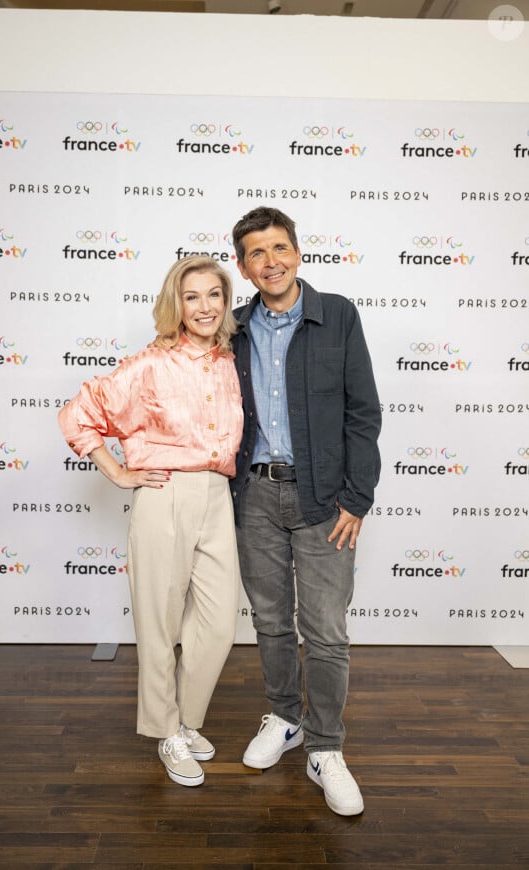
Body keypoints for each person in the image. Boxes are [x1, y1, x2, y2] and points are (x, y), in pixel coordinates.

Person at [58, 255, 243, 788]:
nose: (205, 306)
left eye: (214, 295)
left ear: (225, 302)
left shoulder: (232, 360)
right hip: (165, 495)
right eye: (192, 297)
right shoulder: (151, 363)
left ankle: (185, 720)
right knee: (159, 622)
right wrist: (116, 470)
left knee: (218, 623)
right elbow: (81, 410)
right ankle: (165, 731)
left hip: (218, 495)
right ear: (175, 305)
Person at [230, 207, 381, 816]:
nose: (272, 262)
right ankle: (285, 718)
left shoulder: (338, 314)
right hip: (254, 496)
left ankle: (326, 745)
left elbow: (362, 412)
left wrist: (357, 497)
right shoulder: (231, 329)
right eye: (257, 253)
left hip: (324, 499)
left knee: (325, 633)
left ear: (298, 252)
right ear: (243, 266)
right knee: (269, 621)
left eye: (280, 248)